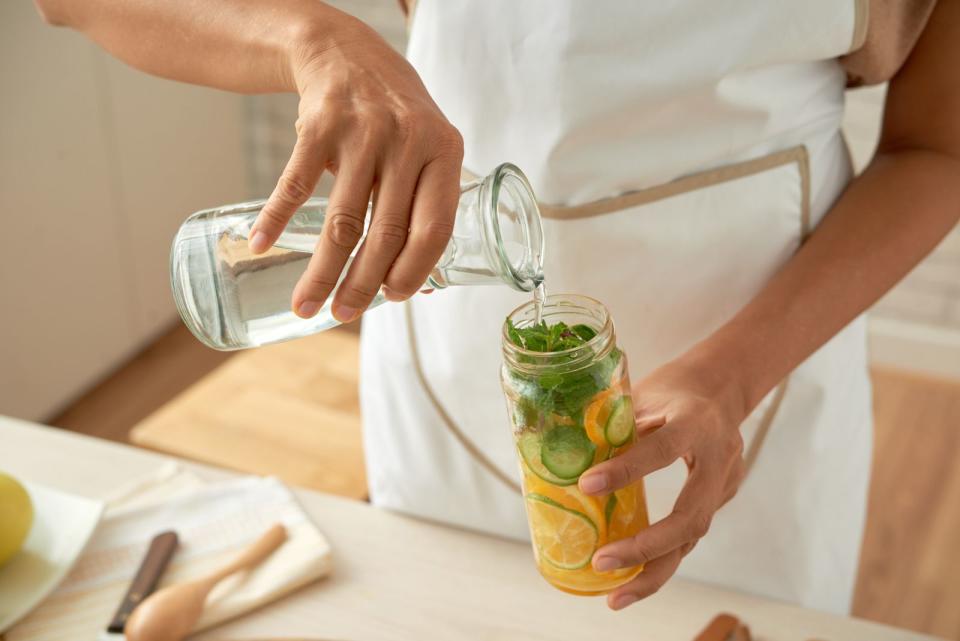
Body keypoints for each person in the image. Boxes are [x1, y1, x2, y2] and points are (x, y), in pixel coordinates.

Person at [34, 0, 960, 613]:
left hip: (757, 366)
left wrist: (734, 373)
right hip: (453, 330)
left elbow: (939, 148)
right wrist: (309, 37)